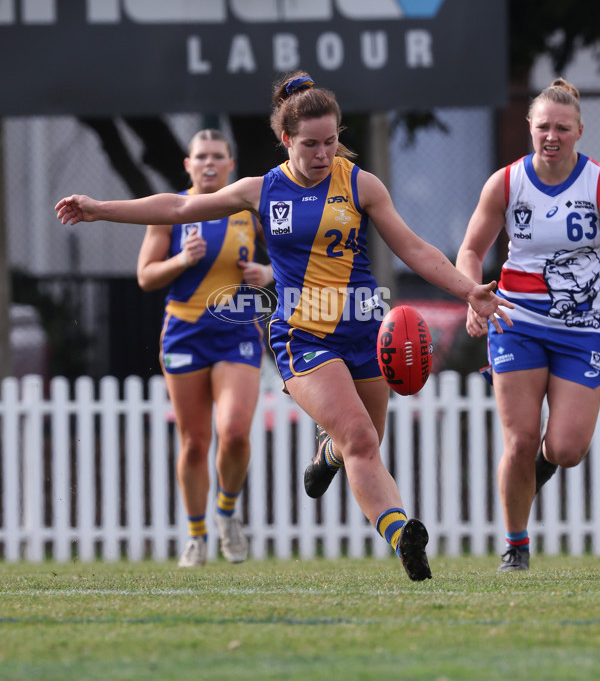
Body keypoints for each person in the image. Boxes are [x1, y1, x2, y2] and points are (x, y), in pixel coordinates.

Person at [56, 71, 513, 582]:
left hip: (364, 332)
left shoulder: (361, 184)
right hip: (303, 338)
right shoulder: (261, 189)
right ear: (286, 141)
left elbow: (413, 248)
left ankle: (326, 455)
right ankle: (401, 532)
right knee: (360, 437)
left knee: (363, 441)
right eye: (311, 144)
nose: (323, 154)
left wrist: (467, 289)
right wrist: (101, 209)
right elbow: (180, 206)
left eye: (332, 141)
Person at [456, 78, 600, 572]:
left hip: (583, 331)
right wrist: (473, 298)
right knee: (519, 440)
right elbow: (471, 251)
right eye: (543, 127)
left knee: (567, 447)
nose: (552, 136)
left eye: (562, 128)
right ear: (530, 128)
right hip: (517, 321)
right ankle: (516, 547)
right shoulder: (507, 182)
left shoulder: (596, 183)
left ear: (580, 131)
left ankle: (542, 464)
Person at [136, 129, 273, 567]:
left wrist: (267, 274)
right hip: (185, 331)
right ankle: (196, 535)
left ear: (231, 165)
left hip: (236, 331)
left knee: (233, 434)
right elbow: (145, 276)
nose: (209, 163)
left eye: (218, 156)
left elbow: (294, 259)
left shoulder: (250, 210)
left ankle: (227, 513)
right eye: (201, 156)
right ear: (188, 165)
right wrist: (181, 260)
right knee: (194, 443)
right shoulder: (170, 212)